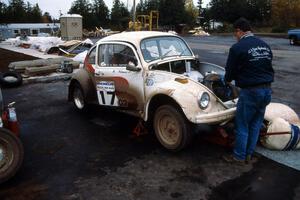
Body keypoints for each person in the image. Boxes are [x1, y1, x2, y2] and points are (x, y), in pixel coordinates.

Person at [223, 18, 274, 164]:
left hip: (251, 92)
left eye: (235, 33)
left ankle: (238, 157)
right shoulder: (265, 45)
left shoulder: (237, 48)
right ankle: (249, 154)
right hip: (267, 91)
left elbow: (230, 73)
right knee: (255, 124)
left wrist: (226, 80)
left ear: (239, 31)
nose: (235, 36)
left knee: (242, 125)